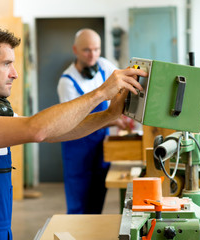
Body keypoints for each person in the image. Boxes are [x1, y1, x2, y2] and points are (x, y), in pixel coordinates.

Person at [0, 26, 145, 239]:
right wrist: (100, 93)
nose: (14, 74)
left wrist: (109, 115)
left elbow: (56, 132)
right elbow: (37, 130)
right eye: (6, 64)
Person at [57, 28, 127, 214]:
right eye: (87, 50)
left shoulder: (104, 66)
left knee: (97, 200)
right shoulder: (67, 81)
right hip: (77, 147)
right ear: (75, 50)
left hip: (99, 144)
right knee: (78, 203)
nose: (92, 55)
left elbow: (122, 86)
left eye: (96, 49)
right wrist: (112, 120)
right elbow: (72, 122)